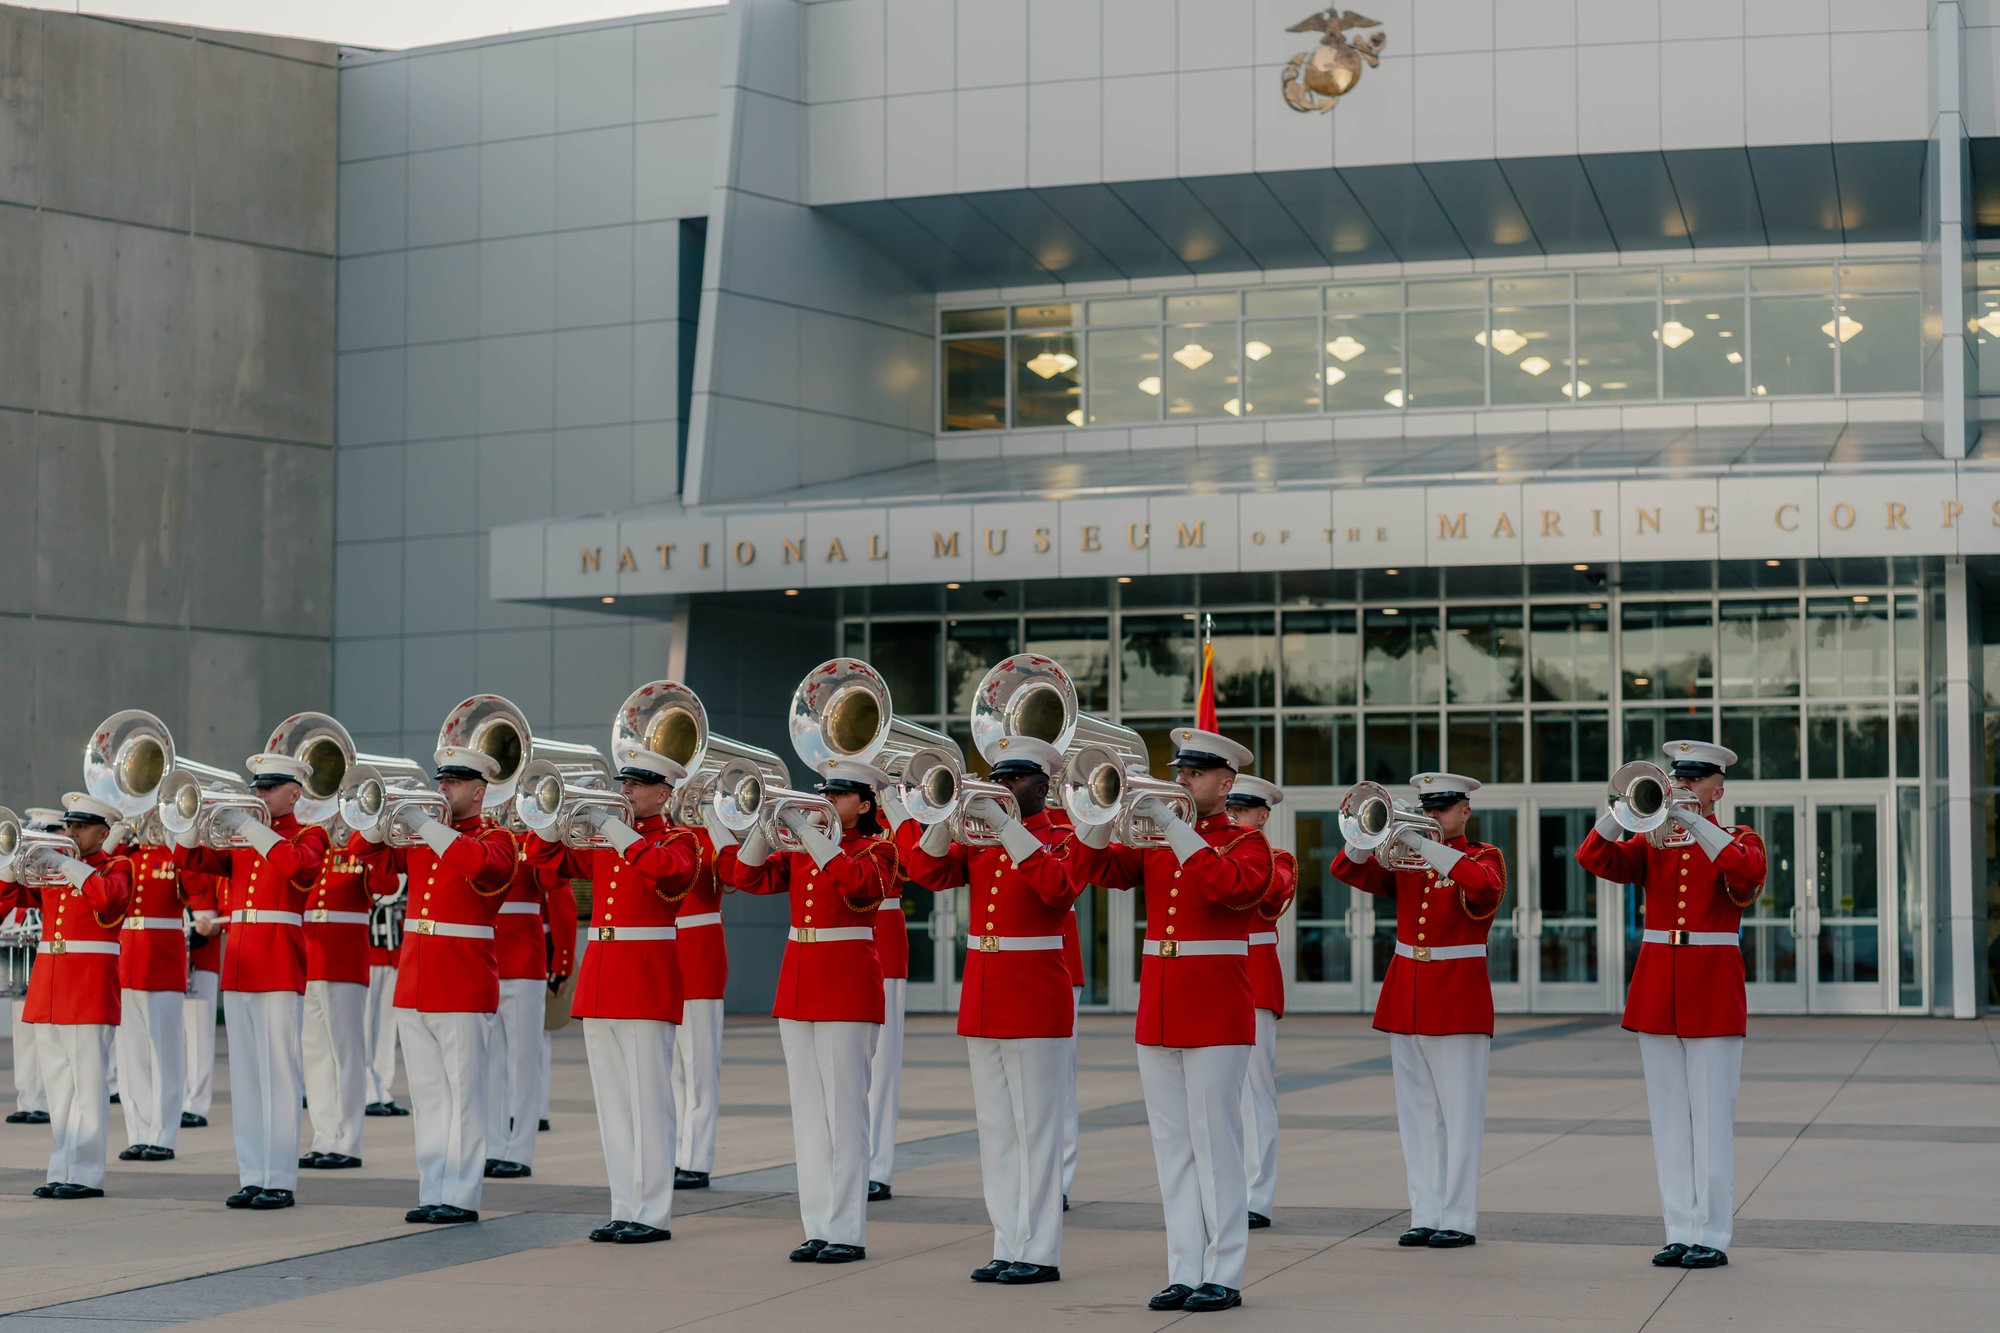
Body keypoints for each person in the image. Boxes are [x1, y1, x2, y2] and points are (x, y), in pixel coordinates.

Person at [1067, 727, 1272, 1314]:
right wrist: (1097, 812)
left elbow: (1227, 887)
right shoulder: (1158, 840)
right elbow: (1097, 869)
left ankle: (1224, 1272)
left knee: (1217, 1146)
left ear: (1225, 784)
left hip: (1215, 1012)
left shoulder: (1246, 843)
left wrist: (1176, 827)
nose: (1181, 779)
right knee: (1172, 1148)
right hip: (1159, 1009)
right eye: (1180, 770)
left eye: (1195, 773)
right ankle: (1184, 1268)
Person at [1576, 741, 1766, 1271]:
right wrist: (1623, 813)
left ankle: (1713, 1232)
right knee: (1667, 1123)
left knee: (1710, 1121)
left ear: (1718, 789)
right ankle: (1679, 1229)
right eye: (1679, 776)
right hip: (1658, 988)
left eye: (1696, 778)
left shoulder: (1739, 838)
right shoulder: (1653, 842)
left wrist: (1691, 817)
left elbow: (1745, 872)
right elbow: (1592, 856)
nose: (1684, 784)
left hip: (1711, 991)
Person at [904, 737, 1080, 1285]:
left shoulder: (1064, 835)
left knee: (1036, 1131)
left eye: (1014, 780)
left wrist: (1007, 828)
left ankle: (1041, 1249)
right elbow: (923, 871)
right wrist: (943, 814)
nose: (1001, 788)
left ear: (1043, 785)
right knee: (996, 1131)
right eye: (996, 778)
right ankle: (1007, 1241)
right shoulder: (977, 839)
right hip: (984, 993)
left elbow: (1058, 889)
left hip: (1033, 995)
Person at [715, 759, 899, 1265]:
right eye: (825, 794)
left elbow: (858, 886)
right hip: (798, 984)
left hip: (846, 986)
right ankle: (817, 1226)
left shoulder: (877, 848)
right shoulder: (803, 846)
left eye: (838, 797)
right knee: (809, 1118)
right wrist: (765, 825)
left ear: (864, 804)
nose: (827, 804)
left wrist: (808, 833)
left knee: (845, 1115)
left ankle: (847, 1230)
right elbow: (745, 877)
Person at [524, 743, 701, 1242]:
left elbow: (668, 873)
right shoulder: (606, 841)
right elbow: (543, 862)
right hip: (603, 980)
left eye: (636, 784)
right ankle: (624, 1205)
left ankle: (653, 1213)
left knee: (649, 1103)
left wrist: (613, 827)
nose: (624, 790)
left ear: (663, 793)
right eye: (624, 782)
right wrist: (548, 815)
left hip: (645, 980)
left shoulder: (680, 840)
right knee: (613, 1107)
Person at [1330, 772, 1506, 1250]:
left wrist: (1421, 843)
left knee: (1460, 1116)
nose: (1432, 817)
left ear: (1464, 811)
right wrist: (1370, 834)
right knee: (1417, 1117)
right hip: (1406, 994)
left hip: (1457, 999)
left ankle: (1459, 1218)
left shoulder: (1482, 856)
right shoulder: (1405, 862)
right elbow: (1345, 870)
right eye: (1426, 808)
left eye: (1442, 809)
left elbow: (1482, 887)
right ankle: (1425, 1212)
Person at [349, 746, 516, 1225]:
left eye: (454, 781)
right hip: (416, 980)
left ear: (478, 790)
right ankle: (433, 1188)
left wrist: (422, 824)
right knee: (427, 1097)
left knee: (465, 1096)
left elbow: (475, 864)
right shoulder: (423, 836)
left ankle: (461, 1195)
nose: (442, 787)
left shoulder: (498, 839)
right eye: (441, 779)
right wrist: (381, 823)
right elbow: (368, 860)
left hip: (462, 982)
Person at [172, 752, 331, 1210]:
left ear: (294, 792)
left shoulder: (310, 834)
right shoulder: (242, 839)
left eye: (268, 787)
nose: (258, 794)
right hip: (240, 963)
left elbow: (296, 867)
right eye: (256, 786)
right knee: (245, 1076)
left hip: (280, 961)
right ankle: (252, 1174)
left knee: (280, 1072)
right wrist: (188, 813)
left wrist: (246, 825)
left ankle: (279, 1178)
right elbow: (188, 855)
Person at [9, 792, 134, 1199]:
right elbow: (4, 902)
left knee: (88, 1085)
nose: (71, 833)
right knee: (59, 1086)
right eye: (70, 826)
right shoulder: (56, 872)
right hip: (50, 985)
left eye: (80, 827)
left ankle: (86, 1174)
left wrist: (66, 863)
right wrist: (11, 866)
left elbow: (107, 899)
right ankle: (61, 1168)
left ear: (103, 832)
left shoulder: (117, 866)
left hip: (87, 985)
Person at [300, 832, 397, 1170]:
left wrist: (366, 837)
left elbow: (387, 885)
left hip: (344, 960)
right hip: (309, 957)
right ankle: (324, 1136)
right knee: (315, 1055)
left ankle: (348, 1141)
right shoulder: (312, 848)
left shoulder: (358, 850)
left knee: (347, 1053)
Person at [1225, 776, 1296, 1230]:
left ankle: (1256, 1196)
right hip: (1210, 981)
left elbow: (1269, 892)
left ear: (1262, 816)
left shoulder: (1278, 858)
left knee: (1254, 1096)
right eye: (1228, 807)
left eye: (1241, 809)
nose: (1231, 815)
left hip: (1253, 982)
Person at [484, 842, 571, 1180]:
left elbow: (556, 887)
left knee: (524, 1060)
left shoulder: (530, 841)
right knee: (489, 1062)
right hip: (486, 959)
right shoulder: (485, 836)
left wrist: (561, 960)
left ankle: (520, 1150)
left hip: (523, 960)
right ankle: (492, 1145)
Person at [116, 817, 189, 1162]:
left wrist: (174, 832)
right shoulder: (125, 856)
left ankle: (163, 1135)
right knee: (131, 1056)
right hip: (126, 961)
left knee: (165, 1053)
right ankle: (138, 1132)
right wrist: (118, 827)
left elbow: (197, 885)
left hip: (161, 962)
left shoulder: (172, 853)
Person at [671, 800, 728, 1191]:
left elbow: (735, 873)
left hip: (700, 957)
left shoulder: (712, 836)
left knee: (700, 1069)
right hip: (663, 956)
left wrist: (712, 815)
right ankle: (674, 1152)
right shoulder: (661, 839)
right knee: (671, 1070)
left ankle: (697, 1157)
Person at [5, 807, 65, 1128]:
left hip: (52, 960)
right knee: (23, 1032)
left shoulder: (59, 873)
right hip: (25, 958)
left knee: (48, 1037)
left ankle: (41, 1100)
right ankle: (28, 1097)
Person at [180, 863, 222, 1129]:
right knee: (175, 1039)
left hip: (200, 960)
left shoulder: (210, 867)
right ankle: (178, 1099)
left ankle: (195, 1103)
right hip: (169, 962)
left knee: (197, 1037)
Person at [363, 884, 407, 1116]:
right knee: (365, 1025)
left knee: (387, 1026)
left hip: (393, 946)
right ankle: (366, 1088)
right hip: (368, 947)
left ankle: (382, 1087)